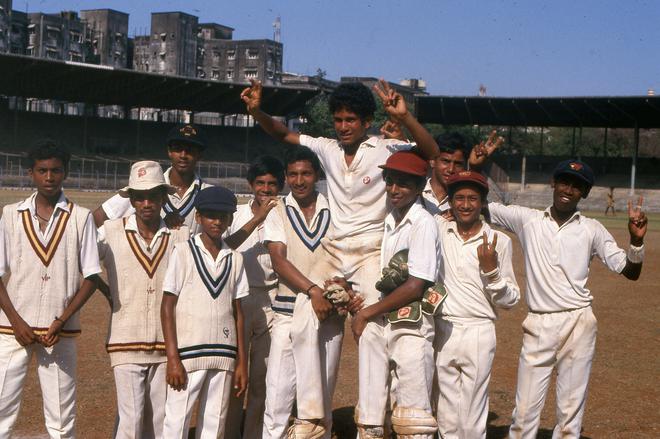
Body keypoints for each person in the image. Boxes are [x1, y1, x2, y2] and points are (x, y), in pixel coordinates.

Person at [241, 79, 440, 434]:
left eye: (351, 119)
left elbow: (431, 151)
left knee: (370, 328)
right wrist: (257, 112)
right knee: (305, 313)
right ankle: (313, 415)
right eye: (339, 119)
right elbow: (282, 134)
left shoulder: (386, 148)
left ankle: (370, 423)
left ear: (366, 122)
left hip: (369, 253)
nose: (344, 126)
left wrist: (405, 117)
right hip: (334, 251)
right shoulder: (326, 147)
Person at [484, 159, 647, 439]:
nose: (568, 190)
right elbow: (479, 206)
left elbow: (629, 271)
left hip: (578, 321)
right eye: (564, 182)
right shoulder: (528, 219)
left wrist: (637, 242)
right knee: (523, 413)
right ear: (553, 183)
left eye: (577, 186)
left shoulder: (592, 228)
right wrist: (474, 167)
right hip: (539, 322)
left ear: (583, 193)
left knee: (571, 414)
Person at [0, 141, 101, 439]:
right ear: (31, 173)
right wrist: (16, 321)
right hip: (11, 329)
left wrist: (62, 319)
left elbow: (92, 276)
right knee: (2, 409)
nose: (49, 177)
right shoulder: (10, 214)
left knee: (61, 418)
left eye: (56, 170)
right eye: (42, 170)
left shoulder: (80, 217)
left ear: (65, 173)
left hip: (60, 332)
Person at [262, 145, 359, 438]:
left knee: (321, 399)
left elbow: (349, 257)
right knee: (278, 399)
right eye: (293, 174)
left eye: (306, 173)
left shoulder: (338, 210)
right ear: (286, 177)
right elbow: (279, 260)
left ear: (317, 175)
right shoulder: (278, 210)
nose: (299, 180)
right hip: (288, 314)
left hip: (328, 315)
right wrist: (313, 290)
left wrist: (341, 284)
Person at [350, 150, 441, 439]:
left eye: (403, 184)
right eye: (390, 181)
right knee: (372, 415)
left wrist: (366, 313)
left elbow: (417, 284)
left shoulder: (424, 223)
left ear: (418, 186)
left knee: (412, 419)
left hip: (414, 324)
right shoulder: (390, 218)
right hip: (386, 319)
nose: (393, 189)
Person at [434, 170, 519, 438]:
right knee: (445, 411)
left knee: (472, 413)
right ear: (449, 202)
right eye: (459, 198)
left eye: (473, 198)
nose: (466, 205)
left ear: (483, 202)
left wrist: (492, 272)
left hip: (479, 330)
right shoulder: (438, 229)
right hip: (443, 325)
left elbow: (511, 300)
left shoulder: (499, 241)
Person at [161, 186, 248, 439]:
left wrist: (242, 362)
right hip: (188, 354)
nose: (217, 221)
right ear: (198, 217)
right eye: (210, 215)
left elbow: (238, 312)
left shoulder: (235, 259)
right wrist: (172, 358)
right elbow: (167, 306)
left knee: (214, 425)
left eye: (223, 216)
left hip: (224, 353)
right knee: (176, 423)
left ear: (231, 219)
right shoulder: (183, 252)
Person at [224, 156, 282, 439]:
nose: (266, 189)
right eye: (261, 183)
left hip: (274, 299)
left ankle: (253, 434)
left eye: (272, 183)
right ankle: (231, 433)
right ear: (251, 184)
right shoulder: (235, 214)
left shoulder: (287, 213)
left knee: (263, 377)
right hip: (240, 299)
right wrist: (258, 219)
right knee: (237, 376)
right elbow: (225, 248)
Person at [93, 123, 212, 234]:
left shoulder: (209, 194)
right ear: (169, 152)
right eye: (177, 148)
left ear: (200, 155)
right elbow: (98, 217)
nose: (183, 155)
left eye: (190, 150)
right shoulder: (146, 184)